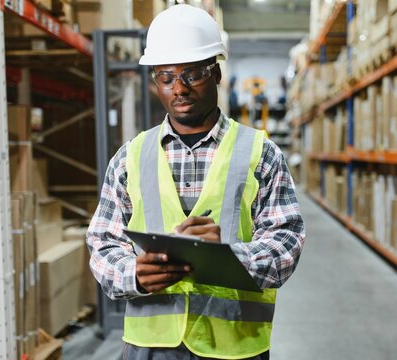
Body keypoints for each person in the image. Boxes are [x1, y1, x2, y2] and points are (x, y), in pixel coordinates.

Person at [86, 4, 305, 360]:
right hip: (150, 346)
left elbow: (286, 241)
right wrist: (133, 275)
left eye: (192, 75)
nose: (179, 89)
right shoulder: (130, 157)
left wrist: (231, 257)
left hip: (233, 345)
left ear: (216, 73)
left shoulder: (260, 153)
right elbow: (102, 242)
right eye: (166, 77)